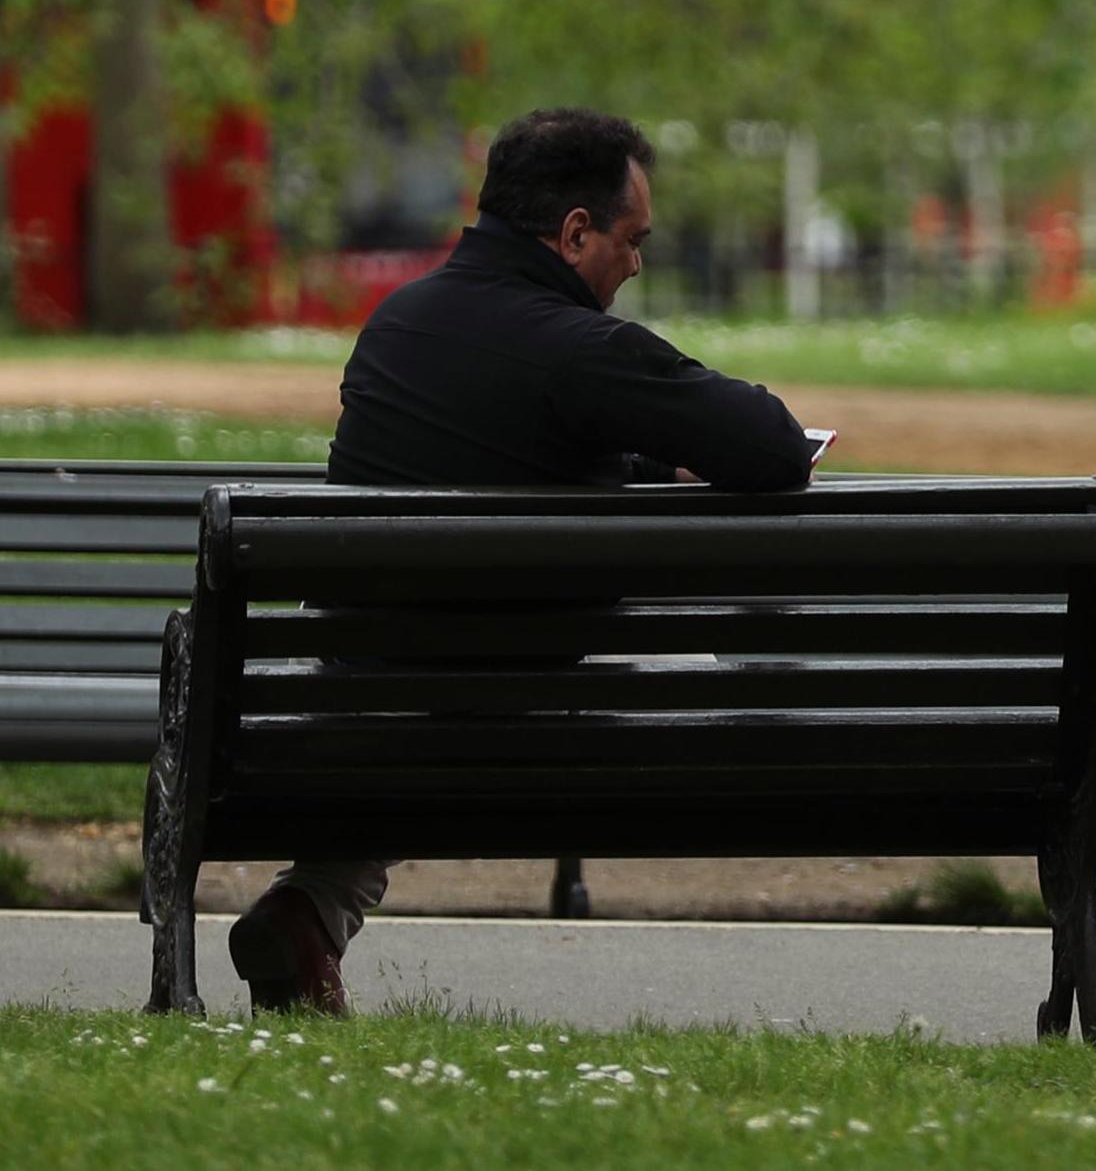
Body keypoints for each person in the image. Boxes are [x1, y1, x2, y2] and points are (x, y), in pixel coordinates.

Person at [227, 108, 818, 1014]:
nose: (635, 265)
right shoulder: (580, 346)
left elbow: (504, 436)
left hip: (359, 688)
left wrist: (651, 462)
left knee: (425, 705)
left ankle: (312, 907)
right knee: (706, 653)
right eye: (631, 241)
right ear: (575, 231)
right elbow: (774, 444)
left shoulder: (399, 325)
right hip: (527, 712)